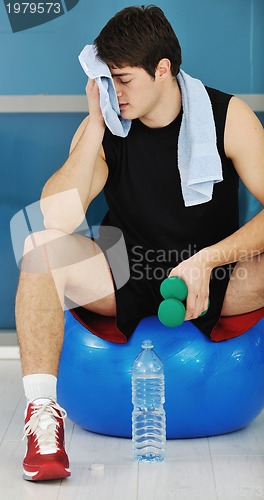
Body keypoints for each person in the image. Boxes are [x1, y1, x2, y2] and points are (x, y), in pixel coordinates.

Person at [15, 5, 264, 482]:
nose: (115, 92)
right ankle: (43, 420)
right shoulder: (107, 123)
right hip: (126, 270)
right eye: (107, 80)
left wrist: (208, 260)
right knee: (40, 245)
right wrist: (93, 125)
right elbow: (57, 217)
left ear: (163, 69)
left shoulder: (228, 116)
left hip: (215, 276)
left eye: (124, 79)